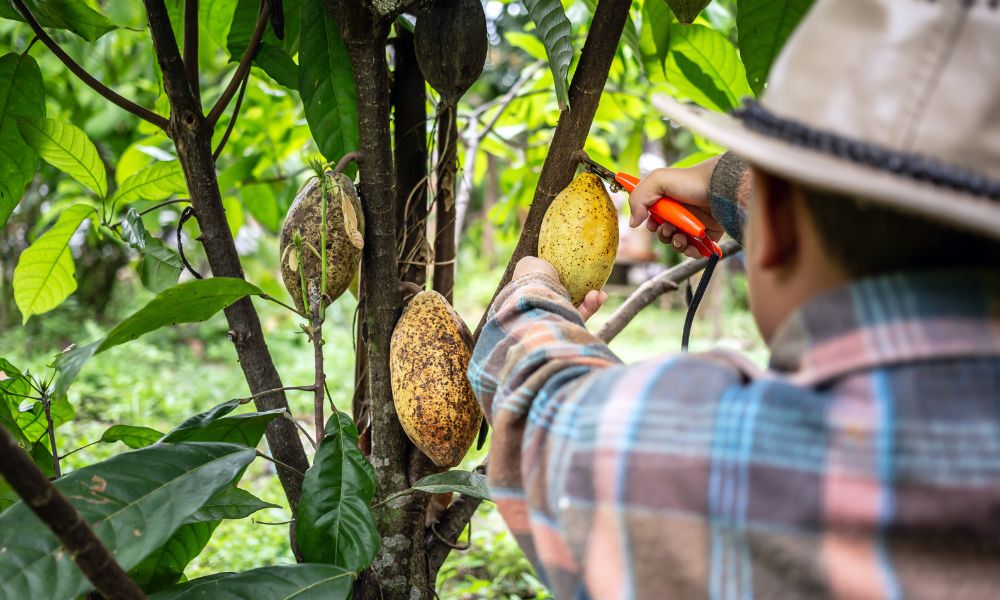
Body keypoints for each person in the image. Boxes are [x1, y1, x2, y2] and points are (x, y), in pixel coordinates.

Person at [468, 0, 1000, 598]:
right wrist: (735, 185)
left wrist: (531, 292)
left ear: (774, 225)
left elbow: (553, 414)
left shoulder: (759, 466)